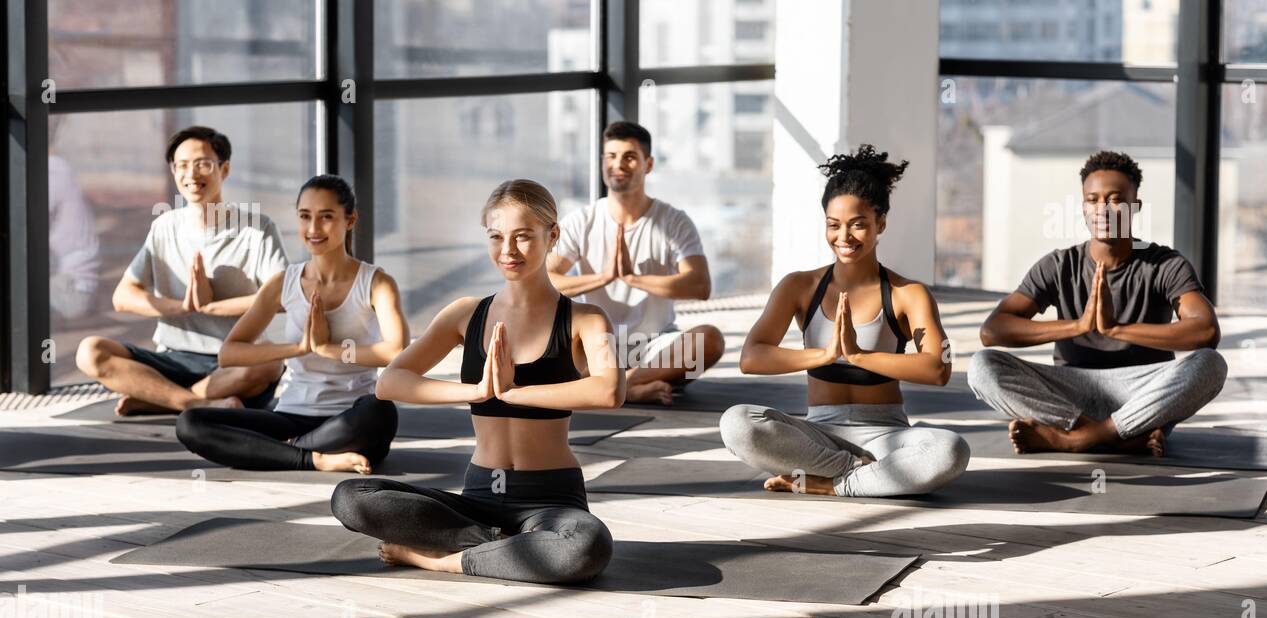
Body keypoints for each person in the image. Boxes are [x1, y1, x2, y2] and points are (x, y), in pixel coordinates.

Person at [330, 179, 623, 584]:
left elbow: (609, 389)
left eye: (523, 237)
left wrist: (513, 393)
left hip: (552, 500)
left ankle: (445, 559)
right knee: (351, 498)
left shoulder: (585, 319)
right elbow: (390, 382)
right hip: (480, 497)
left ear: (552, 235)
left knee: (586, 547)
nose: (508, 251)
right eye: (497, 237)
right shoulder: (465, 314)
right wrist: (476, 392)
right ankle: (500, 544)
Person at [719, 145, 970, 497]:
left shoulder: (908, 293)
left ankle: (833, 484)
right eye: (834, 225)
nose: (844, 237)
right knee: (737, 424)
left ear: (880, 223)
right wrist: (824, 355)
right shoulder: (799, 286)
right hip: (817, 437)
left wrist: (859, 356)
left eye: (858, 225)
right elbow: (751, 357)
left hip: (888, 435)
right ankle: (860, 475)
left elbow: (938, 370)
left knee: (951, 450)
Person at [968, 150, 1227, 456]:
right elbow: (993, 330)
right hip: (1071, 391)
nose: (1102, 209)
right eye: (1093, 200)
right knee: (981, 367)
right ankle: (1115, 436)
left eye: (1115, 199)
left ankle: (1078, 438)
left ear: (1135, 206)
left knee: (1211, 365)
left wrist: (1118, 329)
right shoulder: (1059, 264)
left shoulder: (1165, 264)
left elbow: (1206, 331)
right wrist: (1077, 326)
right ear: (1083, 207)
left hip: (1142, 394)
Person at [175, 175, 407, 473]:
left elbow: (396, 350)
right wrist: (297, 348)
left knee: (381, 411)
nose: (313, 229)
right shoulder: (283, 283)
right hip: (291, 414)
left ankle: (277, 451)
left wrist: (328, 349)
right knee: (191, 422)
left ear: (350, 220)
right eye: (305, 216)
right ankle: (314, 457)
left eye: (326, 217)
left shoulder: (376, 282)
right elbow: (230, 353)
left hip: (351, 415)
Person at [75, 126, 288, 415]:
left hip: (232, 362)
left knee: (271, 362)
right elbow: (123, 296)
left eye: (202, 164)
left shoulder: (258, 228)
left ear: (224, 169)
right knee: (90, 351)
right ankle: (194, 402)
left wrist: (213, 307)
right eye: (183, 166)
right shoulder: (165, 226)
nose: (192, 174)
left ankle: (162, 398)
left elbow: (282, 297)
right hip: (172, 361)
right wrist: (182, 307)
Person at [547, 120, 725, 405]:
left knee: (710, 341)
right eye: (611, 156)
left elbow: (700, 285)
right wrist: (603, 277)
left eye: (629, 157)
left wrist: (634, 278)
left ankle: (622, 386)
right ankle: (628, 389)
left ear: (648, 164)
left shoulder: (673, 221)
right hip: (596, 346)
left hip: (656, 347)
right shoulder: (582, 221)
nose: (619, 164)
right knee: (547, 339)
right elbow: (547, 281)